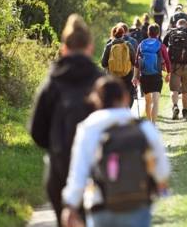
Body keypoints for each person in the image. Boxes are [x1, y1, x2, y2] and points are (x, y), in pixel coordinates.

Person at [61, 76, 170, 227]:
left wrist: (70, 206)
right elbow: (162, 170)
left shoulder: (88, 128)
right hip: (137, 203)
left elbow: (79, 172)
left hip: (100, 205)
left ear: (96, 100)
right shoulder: (143, 127)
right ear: (125, 97)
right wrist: (159, 184)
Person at [30, 14, 102, 226]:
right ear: (90, 47)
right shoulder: (101, 82)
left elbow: (37, 132)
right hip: (97, 172)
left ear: (64, 47)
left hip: (60, 170)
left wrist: (56, 144)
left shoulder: (52, 83)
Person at [133, 24, 171, 123]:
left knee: (147, 102)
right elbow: (167, 60)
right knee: (156, 101)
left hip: (144, 76)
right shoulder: (160, 45)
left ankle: (149, 123)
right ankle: (153, 125)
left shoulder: (141, 44)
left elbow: (137, 63)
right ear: (158, 33)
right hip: (156, 76)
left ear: (148, 33)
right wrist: (168, 73)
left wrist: (135, 77)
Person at [163, 19, 187, 120]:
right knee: (186, 90)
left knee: (174, 89)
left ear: (177, 25)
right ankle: (185, 111)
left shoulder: (171, 32)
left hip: (174, 65)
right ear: (186, 24)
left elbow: (163, 46)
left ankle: (175, 106)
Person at [100, 25, 136, 108]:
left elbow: (103, 63)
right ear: (123, 34)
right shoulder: (128, 45)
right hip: (127, 75)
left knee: (114, 96)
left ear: (113, 34)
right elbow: (134, 61)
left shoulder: (109, 46)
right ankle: (127, 111)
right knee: (128, 94)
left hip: (113, 76)